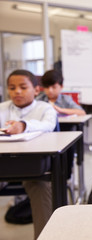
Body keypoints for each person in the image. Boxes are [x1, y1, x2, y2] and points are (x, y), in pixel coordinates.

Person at [0, 69, 57, 239]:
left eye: (23, 87)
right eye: (12, 87)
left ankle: (44, 237)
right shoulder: (2, 108)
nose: (17, 91)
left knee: (41, 187)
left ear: (36, 90)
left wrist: (23, 126)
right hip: (3, 164)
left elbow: (48, 125)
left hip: (33, 168)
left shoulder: (45, 108)